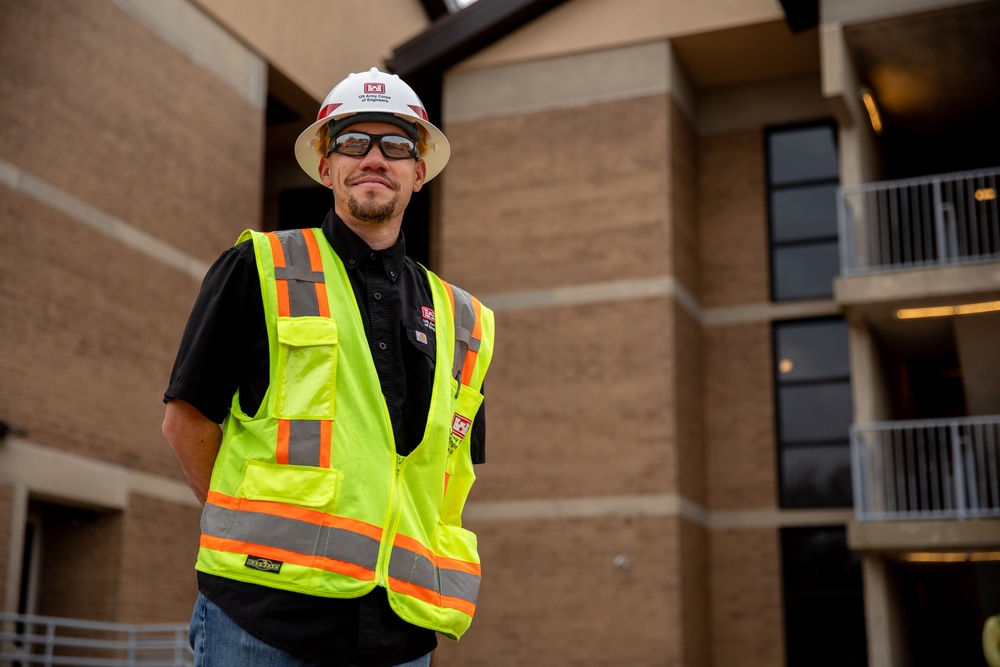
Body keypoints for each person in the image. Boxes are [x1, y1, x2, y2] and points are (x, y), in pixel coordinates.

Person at [162, 67, 495, 667]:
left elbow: (445, 475)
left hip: (398, 635)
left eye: (396, 145)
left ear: (418, 173)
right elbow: (187, 420)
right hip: (262, 622)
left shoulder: (463, 321)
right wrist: (248, 535)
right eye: (352, 142)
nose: (374, 158)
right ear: (326, 167)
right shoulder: (258, 267)